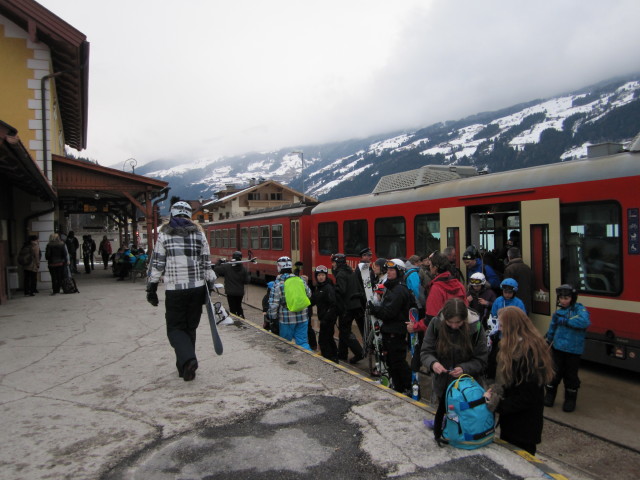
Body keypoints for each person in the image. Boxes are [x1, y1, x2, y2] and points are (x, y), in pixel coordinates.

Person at [146, 201, 217, 382]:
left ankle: (189, 360)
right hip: (197, 288)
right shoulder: (199, 234)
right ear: (189, 216)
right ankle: (185, 368)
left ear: (172, 215)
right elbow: (206, 262)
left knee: (175, 329)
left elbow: (158, 263)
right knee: (190, 327)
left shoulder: (164, 235)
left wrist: (152, 287)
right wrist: (210, 283)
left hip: (175, 290)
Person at [484, 306, 554, 455]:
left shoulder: (528, 354)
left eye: (502, 325)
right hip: (512, 420)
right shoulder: (513, 346)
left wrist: (498, 404)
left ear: (512, 327)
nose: (499, 329)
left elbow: (527, 396)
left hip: (524, 426)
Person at [420, 297, 488, 445]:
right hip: (443, 386)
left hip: (469, 390)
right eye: (450, 323)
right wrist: (433, 364)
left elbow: (482, 359)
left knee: (467, 425)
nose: (454, 326)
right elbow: (426, 351)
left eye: (458, 322)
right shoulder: (436, 324)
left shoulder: (476, 328)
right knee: (450, 423)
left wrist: (465, 368)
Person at [368, 259, 412, 394]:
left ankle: (407, 387)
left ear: (399, 272)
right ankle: (399, 387)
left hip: (395, 332)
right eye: (388, 270)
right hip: (390, 331)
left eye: (392, 270)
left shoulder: (398, 290)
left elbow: (388, 312)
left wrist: (374, 309)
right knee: (393, 363)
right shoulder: (392, 287)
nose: (389, 272)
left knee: (397, 362)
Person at [544, 284, 591, 412]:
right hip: (558, 348)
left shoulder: (579, 309)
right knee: (554, 374)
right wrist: (548, 340)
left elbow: (585, 322)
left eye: (566, 298)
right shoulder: (558, 313)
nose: (563, 301)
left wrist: (567, 321)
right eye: (561, 298)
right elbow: (552, 328)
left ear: (573, 298)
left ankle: (570, 399)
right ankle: (549, 395)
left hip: (573, 350)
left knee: (571, 376)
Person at [267, 256, 312, 350]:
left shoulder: (278, 284)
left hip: (286, 319)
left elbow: (273, 305)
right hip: (303, 317)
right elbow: (309, 294)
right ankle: (307, 360)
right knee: (303, 342)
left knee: (286, 344)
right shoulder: (300, 280)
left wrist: (272, 318)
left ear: (279, 267)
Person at [332, 253, 365, 364]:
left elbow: (341, 290)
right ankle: (342, 353)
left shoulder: (341, 274)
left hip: (347, 307)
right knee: (344, 330)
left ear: (338, 263)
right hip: (356, 305)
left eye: (334, 262)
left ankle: (359, 352)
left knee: (345, 331)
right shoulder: (350, 271)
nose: (333, 265)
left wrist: (333, 290)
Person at [311, 265, 339, 363]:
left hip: (328, 319)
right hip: (323, 318)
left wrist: (326, 318)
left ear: (326, 276)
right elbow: (313, 300)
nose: (321, 277)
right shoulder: (318, 287)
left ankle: (329, 357)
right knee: (327, 338)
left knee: (325, 339)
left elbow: (333, 304)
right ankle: (333, 356)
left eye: (323, 275)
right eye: (319, 275)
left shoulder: (328, 288)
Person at [214, 251, 250, 318]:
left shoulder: (227, 267)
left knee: (232, 308)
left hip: (230, 292)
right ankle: (241, 317)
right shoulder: (244, 269)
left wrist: (219, 262)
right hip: (240, 292)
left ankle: (235, 320)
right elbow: (247, 281)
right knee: (239, 306)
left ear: (233, 257)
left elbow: (216, 269)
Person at [503, 247, 535, 314]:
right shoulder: (527, 268)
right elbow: (532, 286)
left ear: (509, 257)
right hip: (526, 302)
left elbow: (507, 288)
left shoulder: (509, 269)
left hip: (513, 304)